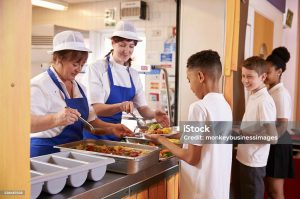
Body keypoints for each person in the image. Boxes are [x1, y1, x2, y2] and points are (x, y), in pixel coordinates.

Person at [30, 30, 133, 158]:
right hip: (44, 155)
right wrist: (56, 119)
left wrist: (112, 128)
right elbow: (27, 124)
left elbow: (91, 122)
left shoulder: (80, 87)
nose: (79, 69)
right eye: (75, 64)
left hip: (72, 154)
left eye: (82, 64)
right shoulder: (39, 85)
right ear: (57, 59)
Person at [147, 50, 233, 199]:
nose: (190, 86)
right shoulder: (225, 105)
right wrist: (174, 134)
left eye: (189, 80)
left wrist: (161, 140)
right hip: (218, 189)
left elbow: (192, 157)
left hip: (200, 190)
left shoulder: (198, 107)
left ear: (200, 76)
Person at [82, 20, 169, 141]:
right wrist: (121, 106)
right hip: (95, 135)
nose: (126, 50)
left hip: (117, 134)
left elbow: (143, 109)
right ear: (113, 43)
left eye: (131, 46)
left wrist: (154, 114)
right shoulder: (97, 68)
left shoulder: (133, 74)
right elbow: (97, 109)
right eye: (122, 45)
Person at [234, 56, 276, 199]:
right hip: (244, 159)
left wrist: (241, 133)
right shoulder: (253, 95)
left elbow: (272, 137)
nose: (245, 80)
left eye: (250, 77)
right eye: (243, 76)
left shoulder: (264, 101)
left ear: (263, 76)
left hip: (253, 164)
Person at [265, 47, 294, 199]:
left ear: (279, 71)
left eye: (268, 72)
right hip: (272, 143)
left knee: (276, 192)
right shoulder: (270, 91)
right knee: (270, 190)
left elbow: (282, 125)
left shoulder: (281, 94)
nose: (265, 75)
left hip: (279, 144)